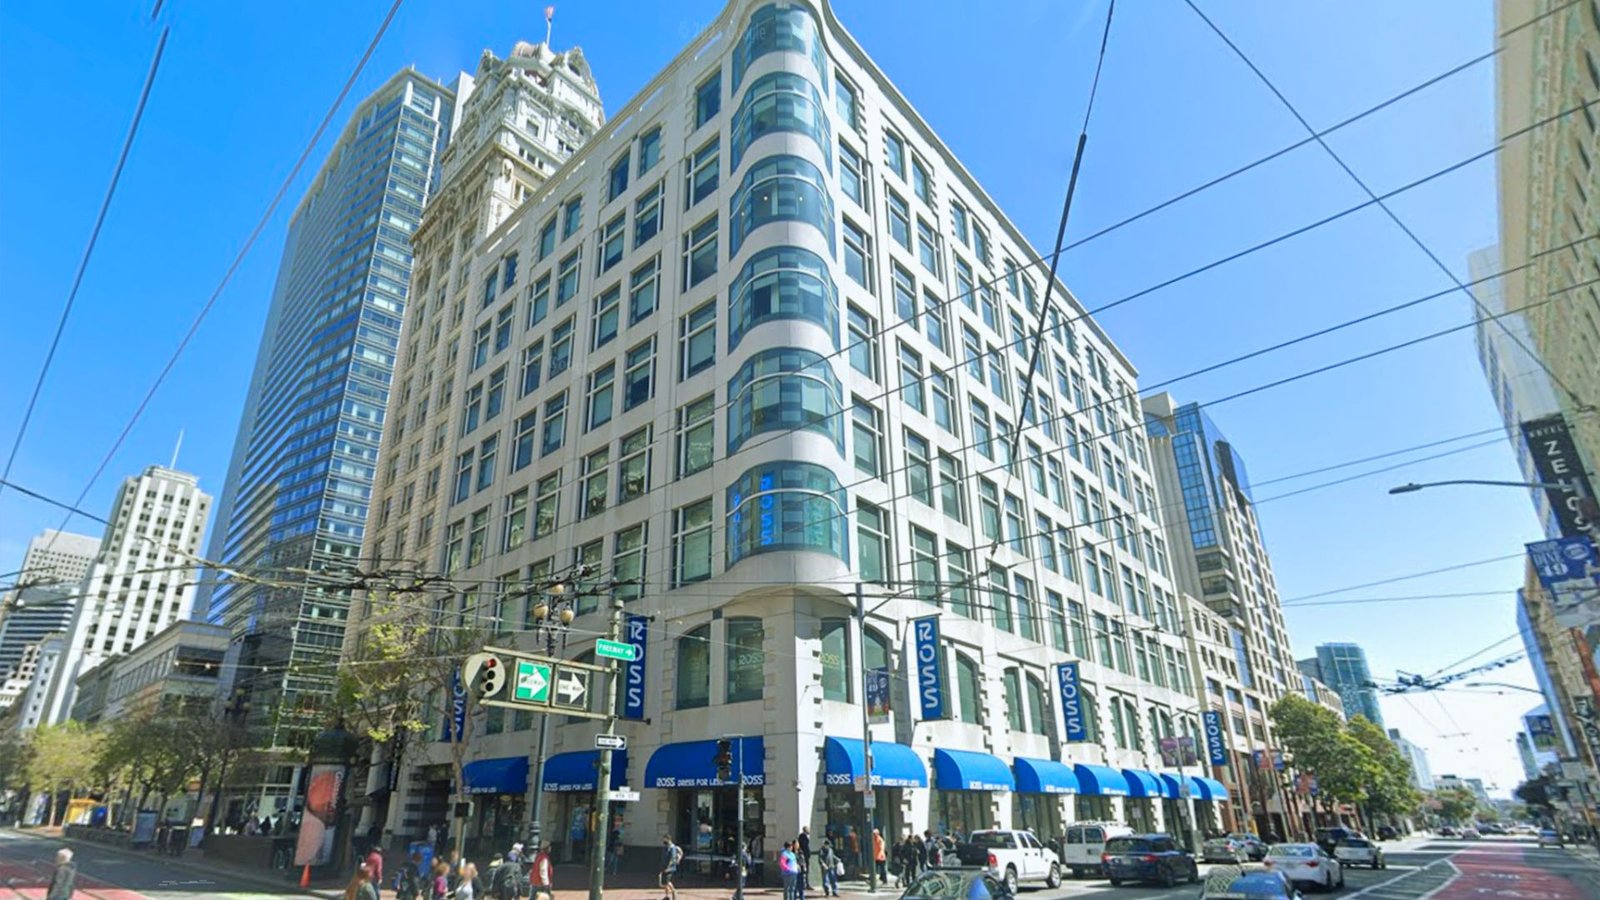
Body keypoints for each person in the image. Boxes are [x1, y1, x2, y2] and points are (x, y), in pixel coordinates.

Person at [660, 835, 682, 900]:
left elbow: (672, 858)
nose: (664, 841)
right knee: (664, 882)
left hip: (669, 868)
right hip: (664, 867)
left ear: (668, 839)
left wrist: (668, 867)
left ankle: (674, 891)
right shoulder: (666, 847)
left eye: (665, 839)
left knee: (667, 881)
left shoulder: (672, 847)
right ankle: (667, 896)